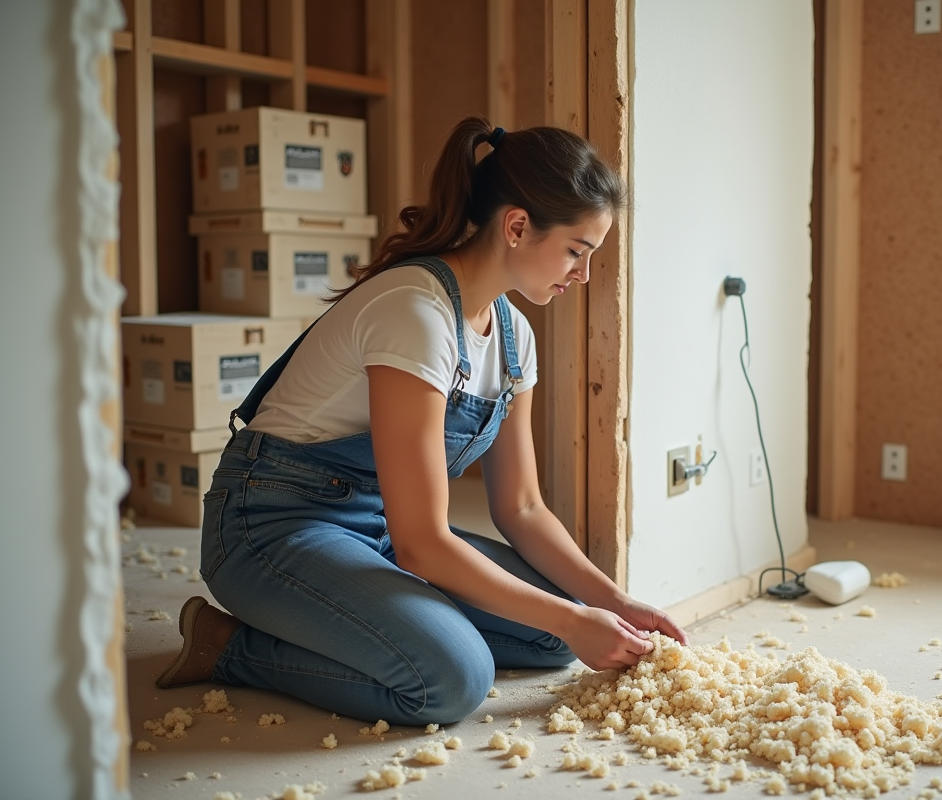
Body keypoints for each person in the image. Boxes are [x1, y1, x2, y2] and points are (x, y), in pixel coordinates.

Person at [155, 116, 688, 725]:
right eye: (576, 251)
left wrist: (613, 602)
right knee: (453, 680)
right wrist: (571, 617)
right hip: (273, 524)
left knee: (554, 638)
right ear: (517, 226)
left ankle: (381, 620)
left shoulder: (514, 336)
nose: (584, 275)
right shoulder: (415, 312)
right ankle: (229, 646)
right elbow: (422, 542)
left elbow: (522, 507)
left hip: (378, 527)